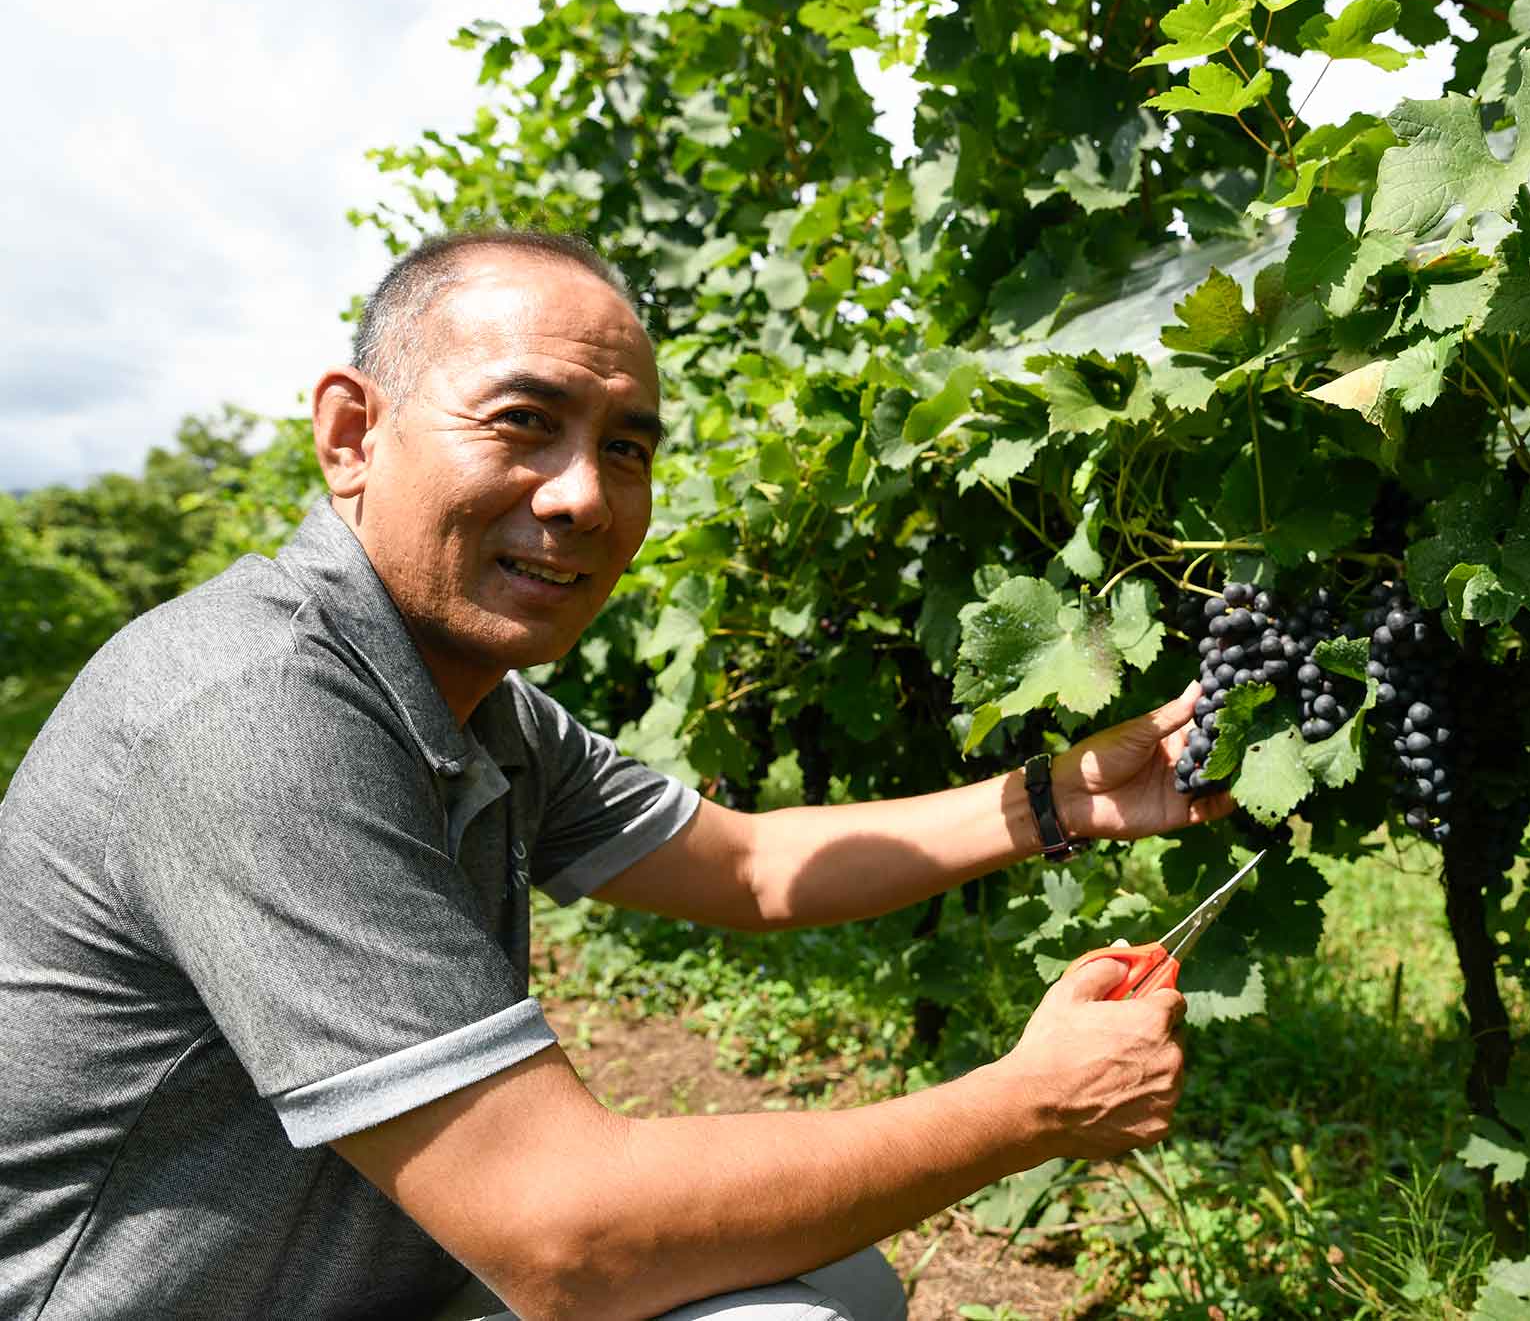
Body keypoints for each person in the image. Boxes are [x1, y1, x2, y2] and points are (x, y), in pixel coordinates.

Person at [0, 230, 1232, 1321]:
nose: (585, 495)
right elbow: (566, 1238)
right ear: (351, 436)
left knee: (834, 1283)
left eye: (626, 447)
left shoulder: (479, 711)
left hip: (376, 1281)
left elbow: (750, 866)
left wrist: (1061, 796)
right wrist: (1026, 1106)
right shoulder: (253, 715)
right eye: (523, 421)